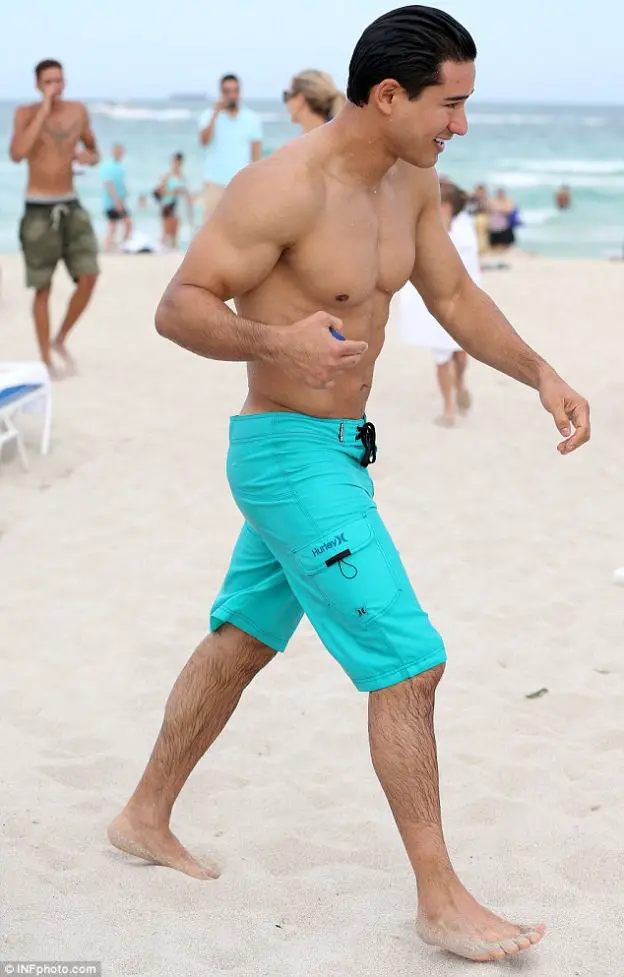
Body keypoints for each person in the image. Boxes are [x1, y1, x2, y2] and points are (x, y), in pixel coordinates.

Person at [108, 5, 590, 964]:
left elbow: (453, 294)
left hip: (341, 453)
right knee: (409, 662)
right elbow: (178, 307)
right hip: (284, 455)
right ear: (390, 95)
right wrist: (272, 341)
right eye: (450, 105)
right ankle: (440, 899)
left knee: (242, 641)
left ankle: (142, 814)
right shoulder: (279, 189)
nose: (461, 126)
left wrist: (539, 372)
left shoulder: (411, 181)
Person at [9, 59, 100, 379]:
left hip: (70, 204)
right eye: (48, 82)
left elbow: (94, 150)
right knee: (42, 289)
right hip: (38, 208)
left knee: (89, 276)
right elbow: (17, 153)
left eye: (59, 81)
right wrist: (44, 108)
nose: (55, 87)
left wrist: (90, 157)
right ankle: (46, 360)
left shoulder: (78, 111)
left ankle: (60, 338)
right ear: (37, 85)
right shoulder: (25, 113)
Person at [397, 179, 477, 426]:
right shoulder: (422, 225)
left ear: (448, 206)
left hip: (461, 302)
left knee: (460, 356)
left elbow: (466, 262)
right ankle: (448, 409)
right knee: (442, 357)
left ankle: (460, 383)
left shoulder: (465, 229)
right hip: (435, 302)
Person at [198, 74, 263, 220]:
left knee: (242, 226)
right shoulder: (208, 115)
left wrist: (256, 183)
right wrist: (215, 115)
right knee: (212, 228)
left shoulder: (252, 119)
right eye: (227, 91)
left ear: (240, 92)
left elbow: (256, 155)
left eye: (235, 91)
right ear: (221, 93)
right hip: (214, 183)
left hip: (241, 184)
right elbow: (203, 141)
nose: (232, 95)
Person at [154, 152, 193, 249]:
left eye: (178, 162)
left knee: (175, 234)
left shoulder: (183, 177)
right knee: (166, 232)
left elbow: (186, 194)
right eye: (174, 162)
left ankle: (173, 251)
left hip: (178, 206)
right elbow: (159, 191)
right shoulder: (167, 177)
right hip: (167, 205)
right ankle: (161, 250)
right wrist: (172, 192)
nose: (176, 164)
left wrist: (190, 208)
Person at [101, 143, 132, 250]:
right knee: (117, 225)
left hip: (119, 201)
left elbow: (121, 184)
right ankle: (112, 246)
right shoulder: (108, 166)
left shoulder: (120, 167)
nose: (120, 154)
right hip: (112, 202)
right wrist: (116, 201)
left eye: (121, 152)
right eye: (118, 151)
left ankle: (119, 245)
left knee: (119, 225)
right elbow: (108, 184)